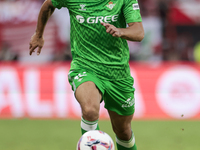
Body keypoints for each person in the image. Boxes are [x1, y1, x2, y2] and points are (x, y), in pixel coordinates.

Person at [29, 0, 144, 149]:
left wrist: (121, 31)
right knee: (90, 110)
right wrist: (38, 34)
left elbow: (139, 32)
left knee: (123, 131)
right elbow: (48, 5)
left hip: (118, 73)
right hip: (85, 66)